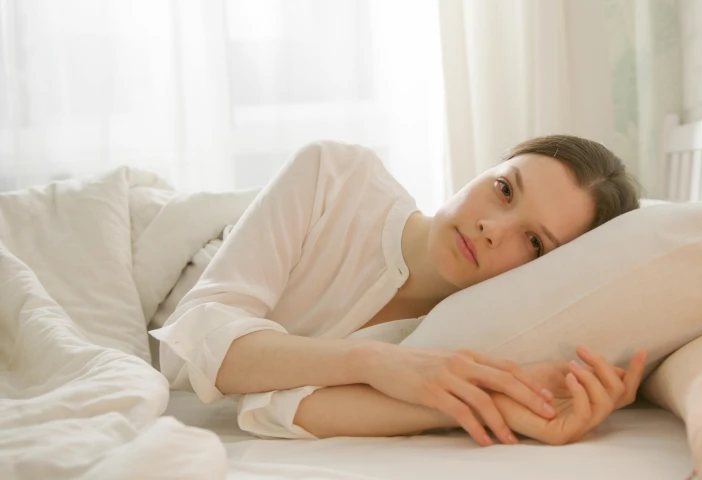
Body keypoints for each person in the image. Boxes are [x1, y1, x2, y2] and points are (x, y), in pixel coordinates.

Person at [150, 134, 644, 447]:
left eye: (535, 242)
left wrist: (499, 407)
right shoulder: (335, 174)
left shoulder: (469, 330)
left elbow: (276, 407)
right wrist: (375, 363)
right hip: (153, 272)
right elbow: (196, 342)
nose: (493, 227)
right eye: (505, 189)